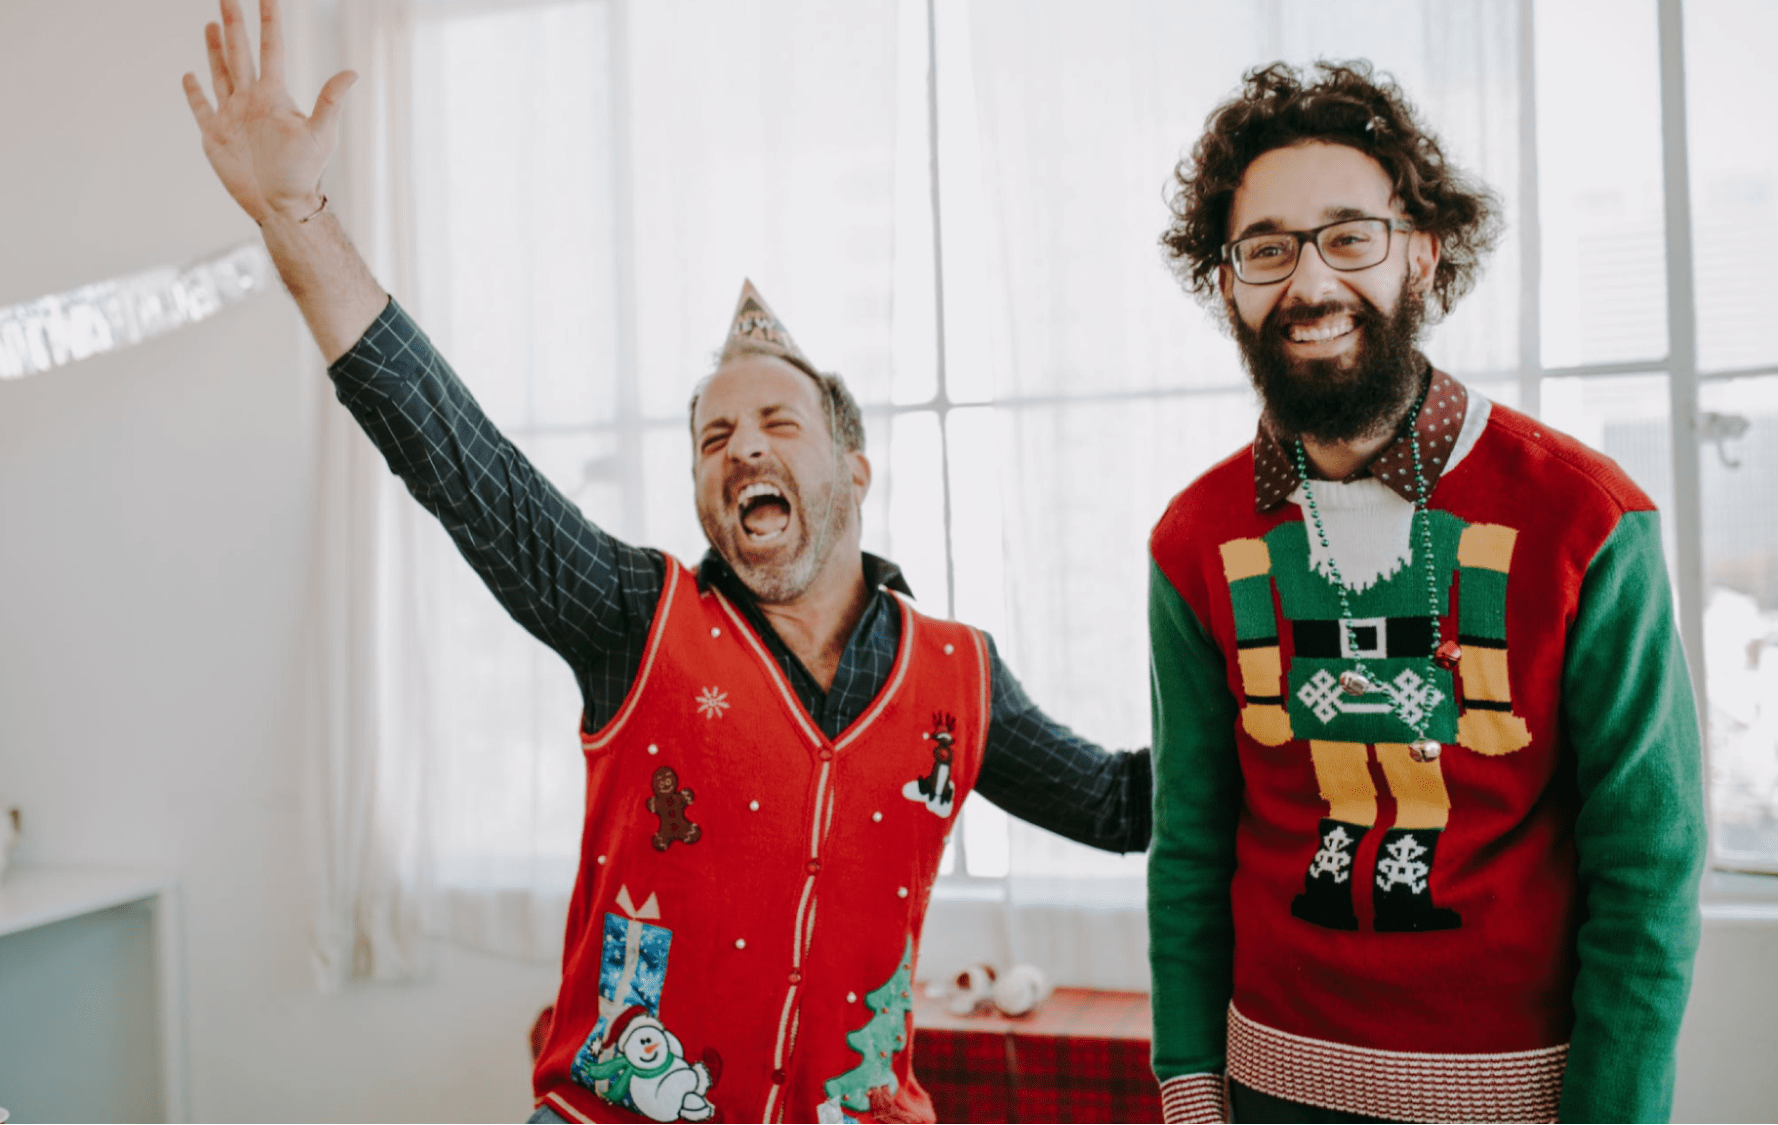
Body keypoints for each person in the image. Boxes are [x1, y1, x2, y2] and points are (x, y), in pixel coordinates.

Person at [178, 3, 1150, 1122]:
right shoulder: (640, 620)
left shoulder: (959, 680)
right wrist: (296, 214)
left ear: (855, 468)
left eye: (778, 424)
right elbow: (457, 458)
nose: (741, 447)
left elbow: (1128, 803)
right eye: (712, 437)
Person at [1145, 61, 1703, 1124]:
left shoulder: (1588, 520)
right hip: (1265, 1092)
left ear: (1423, 253)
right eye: (1266, 248)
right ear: (1226, 285)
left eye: (1350, 236)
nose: (1308, 285)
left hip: (1524, 1098)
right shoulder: (1191, 538)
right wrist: (1189, 1085)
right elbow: (1191, 841)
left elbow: (1648, 868)